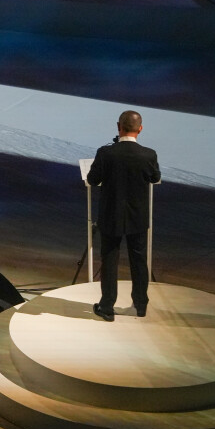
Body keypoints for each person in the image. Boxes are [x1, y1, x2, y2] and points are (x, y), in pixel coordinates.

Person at [86, 110, 161, 321]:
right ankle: (140, 305)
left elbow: (92, 179)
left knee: (109, 260)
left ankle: (107, 307)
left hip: (111, 216)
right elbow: (155, 177)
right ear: (140, 129)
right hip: (138, 217)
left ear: (118, 126)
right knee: (139, 260)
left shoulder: (105, 153)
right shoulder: (149, 154)